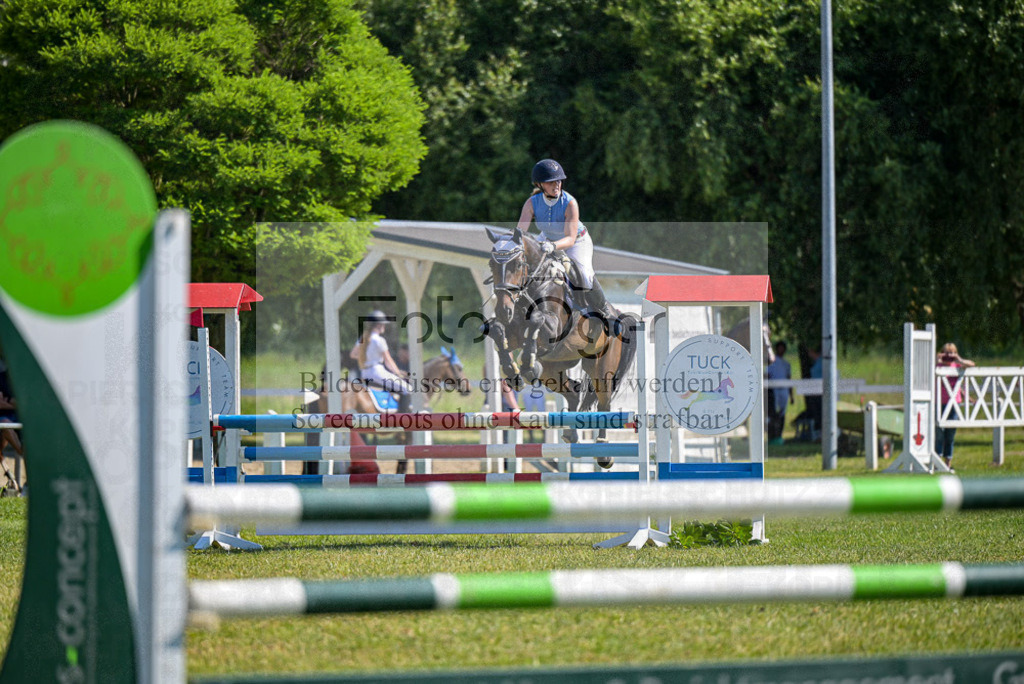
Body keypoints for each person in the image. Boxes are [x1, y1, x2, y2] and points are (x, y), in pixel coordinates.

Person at [516, 158, 616, 320]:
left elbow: (569, 239)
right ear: (539, 184)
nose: (556, 185)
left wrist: (552, 246)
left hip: (576, 242)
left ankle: (604, 310)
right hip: (547, 239)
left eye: (558, 181)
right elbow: (520, 232)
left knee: (585, 275)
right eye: (551, 182)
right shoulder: (531, 203)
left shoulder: (570, 203)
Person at [351, 310, 413, 412]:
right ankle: (403, 420)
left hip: (364, 373)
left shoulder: (362, 338)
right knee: (408, 389)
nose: (384, 326)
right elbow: (388, 361)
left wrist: (366, 358)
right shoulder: (379, 340)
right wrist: (398, 373)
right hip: (377, 372)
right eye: (383, 324)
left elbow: (353, 355)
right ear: (379, 325)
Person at [935, 342, 975, 470]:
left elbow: (972, 364)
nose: (949, 355)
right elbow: (930, 368)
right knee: (939, 433)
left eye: (952, 352)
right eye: (947, 352)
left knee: (950, 434)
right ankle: (937, 461)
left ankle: (948, 463)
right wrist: (938, 358)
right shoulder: (938, 366)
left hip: (954, 404)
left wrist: (959, 359)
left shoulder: (957, 366)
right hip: (940, 403)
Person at [764, 341, 793, 445]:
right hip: (774, 390)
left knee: (782, 413)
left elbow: (789, 378)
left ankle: (779, 434)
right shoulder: (772, 363)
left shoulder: (786, 364)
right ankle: (772, 435)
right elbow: (766, 375)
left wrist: (791, 395)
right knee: (773, 413)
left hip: (784, 390)